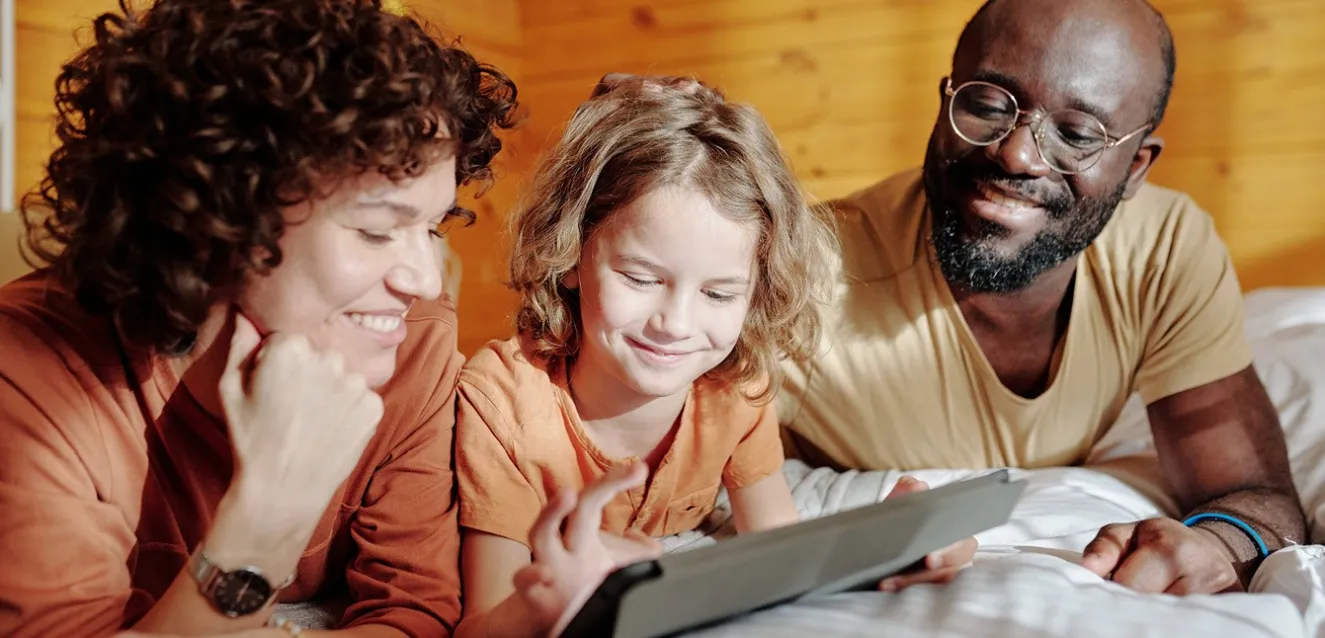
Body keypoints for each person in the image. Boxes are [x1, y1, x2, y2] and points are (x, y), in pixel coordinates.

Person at [0, 0, 517, 635]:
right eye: (378, 231)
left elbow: (412, 613)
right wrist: (268, 514)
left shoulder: (413, 341)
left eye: (432, 226)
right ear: (213, 221)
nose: (425, 280)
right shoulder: (30, 370)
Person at [777, 0, 1307, 596]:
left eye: (1077, 134)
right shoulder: (805, 272)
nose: (1016, 154)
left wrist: (1217, 542)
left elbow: (1258, 500)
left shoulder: (1162, 250)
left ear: (1135, 168)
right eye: (984, 104)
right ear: (944, 102)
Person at [450, 75, 976, 637]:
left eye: (719, 294)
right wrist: (555, 601)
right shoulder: (500, 407)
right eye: (640, 277)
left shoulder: (734, 390)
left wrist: (889, 550)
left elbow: (777, 549)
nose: (675, 324)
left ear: (755, 292)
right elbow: (483, 624)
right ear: (572, 255)